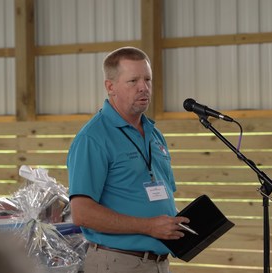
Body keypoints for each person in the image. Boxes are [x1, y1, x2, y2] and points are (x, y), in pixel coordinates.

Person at [67, 46, 190, 273]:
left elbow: (159, 194)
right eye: (133, 81)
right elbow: (81, 213)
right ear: (110, 86)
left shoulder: (154, 133)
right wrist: (149, 227)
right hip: (117, 262)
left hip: (159, 262)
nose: (144, 87)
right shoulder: (92, 138)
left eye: (147, 79)